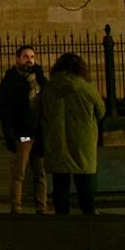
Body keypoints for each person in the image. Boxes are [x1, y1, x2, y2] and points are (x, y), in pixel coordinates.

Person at [40, 52, 105, 217]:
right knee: (85, 183)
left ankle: (62, 218)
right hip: (83, 142)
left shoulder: (49, 88)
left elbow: (37, 110)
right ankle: (88, 215)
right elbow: (101, 111)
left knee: (60, 183)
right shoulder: (87, 89)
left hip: (57, 142)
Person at [0, 45, 51, 215]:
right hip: (22, 133)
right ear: (17, 59)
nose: (29, 60)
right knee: (19, 171)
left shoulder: (40, 80)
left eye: (32, 56)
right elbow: (5, 110)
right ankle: (16, 207)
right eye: (25, 56)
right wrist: (9, 134)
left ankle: (41, 207)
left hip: (39, 132)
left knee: (40, 172)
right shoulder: (11, 80)